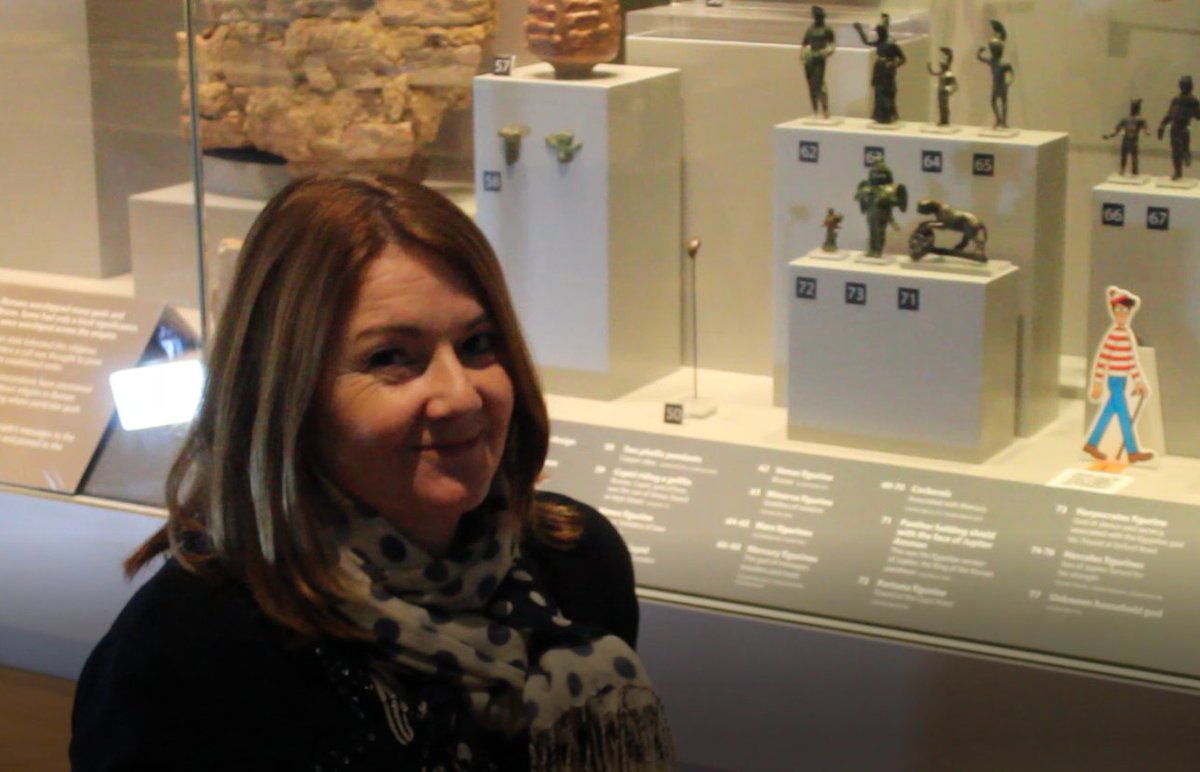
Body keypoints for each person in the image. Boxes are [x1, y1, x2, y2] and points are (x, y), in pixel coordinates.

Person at [70, 174, 675, 770]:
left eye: (477, 344)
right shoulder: (193, 645)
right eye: (390, 358)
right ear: (290, 396)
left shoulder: (574, 559)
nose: (460, 395)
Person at [1083, 287, 1153, 464]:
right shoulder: (1113, 335)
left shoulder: (1126, 335)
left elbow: (1131, 361)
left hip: (1122, 381)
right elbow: (1102, 359)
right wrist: (1097, 383)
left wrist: (1138, 382)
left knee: (1108, 414)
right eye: (1119, 311)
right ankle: (1132, 451)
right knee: (1123, 416)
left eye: (1125, 311)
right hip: (1114, 382)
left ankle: (1091, 444)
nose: (1122, 314)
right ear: (1113, 312)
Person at [853, 14, 906, 124]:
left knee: (887, 92)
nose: (878, 34)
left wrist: (893, 64)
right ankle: (880, 115)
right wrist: (860, 30)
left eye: (879, 32)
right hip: (879, 69)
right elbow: (866, 42)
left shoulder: (891, 45)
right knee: (878, 92)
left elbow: (903, 58)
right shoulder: (879, 43)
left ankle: (889, 115)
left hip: (887, 70)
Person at [1157, 75, 1200, 180]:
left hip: (1184, 128)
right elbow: (1170, 114)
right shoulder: (1176, 99)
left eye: (1185, 85)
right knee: (1176, 151)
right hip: (1175, 128)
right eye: (1182, 85)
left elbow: (1198, 115)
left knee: (1184, 147)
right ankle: (1178, 172)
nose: (1183, 87)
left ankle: (1186, 155)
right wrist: (1162, 126)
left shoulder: (1193, 101)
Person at [976, 20, 1015, 129]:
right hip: (996, 85)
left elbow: (1011, 74)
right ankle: (998, 119)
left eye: (994, 49)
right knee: (994, 102)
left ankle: (1003, 121)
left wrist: (1009, 81)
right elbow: (980, 58)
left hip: (1002, 85)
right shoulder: (993, 61)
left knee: (1003, 102)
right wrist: (979, 52)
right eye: (992, 49)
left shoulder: (1004, 62)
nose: (993, 51)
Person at [800, 5, 836, 119]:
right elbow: (804, 44)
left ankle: (825, 109)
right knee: (811, 85)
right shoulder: (810, 29)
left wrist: (826, 51)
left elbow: (832, 44)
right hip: (810, 58)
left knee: (820, 84)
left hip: (819, 58)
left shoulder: (827, 29)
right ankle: (815, 110)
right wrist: (803, 55)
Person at [1103, 99, 1149, 176]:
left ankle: (1134, 172)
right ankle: (1123, 170)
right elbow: (1117, 130)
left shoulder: (1140, 120)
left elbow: (1145, 129)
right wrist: (1109, 136)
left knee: (1133, 157)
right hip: (1127, 140)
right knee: (1124, 156)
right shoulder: (1126, 119)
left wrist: (1146, 132)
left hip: (1133, 140)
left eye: (1135, 107)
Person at [926, 46, 958, 127]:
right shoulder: (942, 73)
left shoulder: (948, 73)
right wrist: (929, 67)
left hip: (944, 91)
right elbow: (933, 73)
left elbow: (955, 84)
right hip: (940, 91)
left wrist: (949, 89)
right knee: (941, 106)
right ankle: (942, 120)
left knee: (944, 106)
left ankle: (945, 120)